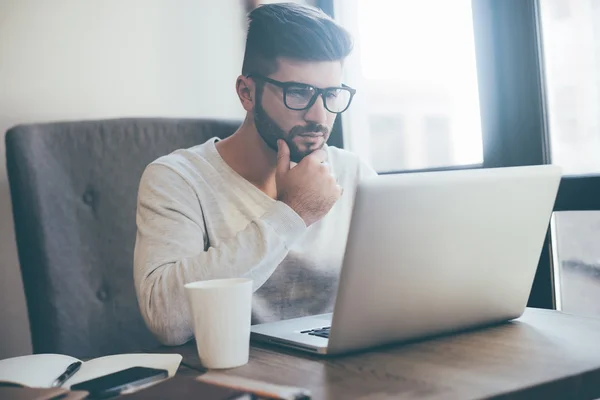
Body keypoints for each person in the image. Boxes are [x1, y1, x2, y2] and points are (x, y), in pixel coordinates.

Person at [133, 2, 376, 345]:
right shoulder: (177, 178)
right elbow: (166, 320)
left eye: (331, 94)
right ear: (246, 93)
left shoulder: (352, 172)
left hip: (346, 372)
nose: (320, 116)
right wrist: (294, 213)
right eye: (299, 92)